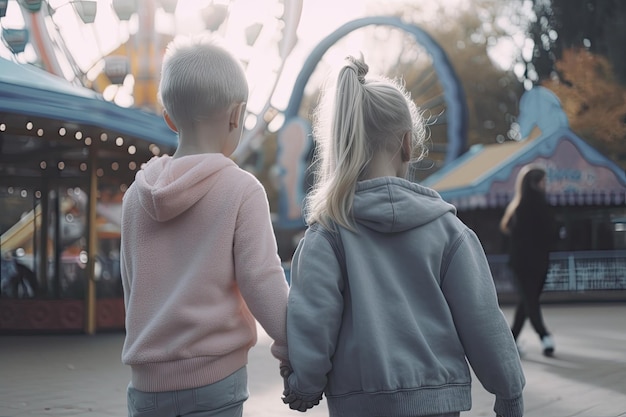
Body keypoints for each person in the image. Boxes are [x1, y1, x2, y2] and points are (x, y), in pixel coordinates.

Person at [281, 55, 525, 417]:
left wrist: (305, 384)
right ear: (408, 144)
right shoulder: (448, 231)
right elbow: (483, 320)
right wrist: (509, 392)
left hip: (359, 404)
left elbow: (313, 321)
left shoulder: (328, 235)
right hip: (439, 404)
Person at [120, 35, 289, 417]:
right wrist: (294, 346)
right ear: (236, 115)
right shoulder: (242, 189)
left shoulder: (136, 195)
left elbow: (132, 283)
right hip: (216, 380)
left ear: (168, 118)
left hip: (146, 386)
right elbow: (262, 280)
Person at [500, 164, 556, 357]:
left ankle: (510, 340)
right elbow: (551, 234)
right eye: (543, 181)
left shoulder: (516, 207)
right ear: (535, 183)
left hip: (519, 263)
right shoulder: (542, 205)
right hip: (539, 262)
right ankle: (545, 336)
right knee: (531, 300)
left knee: (527, 301)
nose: (545, 185)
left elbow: (509, 237)